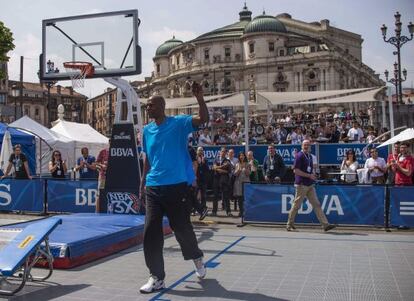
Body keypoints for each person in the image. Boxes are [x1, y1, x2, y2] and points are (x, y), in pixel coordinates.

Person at [139, 82, 208, 294]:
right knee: (150, 232)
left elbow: (203, 119)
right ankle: (157, 277)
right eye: (147, 105)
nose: (148, 108)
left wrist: (199, 98)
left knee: (182, 229)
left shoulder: (178, 123)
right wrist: (142, 183)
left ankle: (196, 256)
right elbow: (148, 159)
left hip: (176, 187)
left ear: (162, 106)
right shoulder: (146, 131)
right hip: (153, 187)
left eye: (151, 105)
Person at [286, 140, 336, 232]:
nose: (306, 146)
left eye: (308, 145)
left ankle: (325, 225)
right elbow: (295, 171)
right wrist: (309, 175)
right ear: (302, 146)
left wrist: (313, 176)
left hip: (309, 184)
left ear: (310, 146)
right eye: (305, 145)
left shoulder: (310, 157)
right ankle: (289, 224)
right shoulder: (299, 155)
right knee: (296, 205)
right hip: (301, 185)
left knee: (316, 204)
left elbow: (309, 170)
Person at [186, 141, 208, 220]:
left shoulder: (190, 149)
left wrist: (193, 177)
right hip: (182, 176)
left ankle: (201, 210)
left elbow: (195, 164)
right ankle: (201, 210)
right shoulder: (180, 148)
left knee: (189, 195)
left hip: (187, 178)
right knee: (188, 196)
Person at [212, 147, 232, 216]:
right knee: (215, 196)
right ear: (220, 152)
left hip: (224, 180)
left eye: (224, 152)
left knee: (226, 196)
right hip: (216, 180)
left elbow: (229, 171)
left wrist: (219, 169)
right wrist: (222, 166)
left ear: (226, 153)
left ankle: (228, 212)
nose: (223, 153)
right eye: (222, 151)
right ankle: (214, 211)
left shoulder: (227, 161)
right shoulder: (216, 159)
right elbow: (214, 167)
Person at [233, 152, 250, 217]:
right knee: (240, 198)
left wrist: (245, 169)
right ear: (239, 157)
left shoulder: (247, 164)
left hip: (246, 182)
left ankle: (246, 211)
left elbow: (248, 174)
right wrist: (239, 170)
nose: (241, 157)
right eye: (240, 156)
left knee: (245, 198)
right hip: (239, 183)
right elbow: (235, 174)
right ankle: (240, 211)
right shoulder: (237, 164)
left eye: (242, 155)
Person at [95, 143, 110, 212]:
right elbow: (96, 163)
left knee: (111, 194)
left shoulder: (116, 152)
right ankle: (97, 212)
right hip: (103, 177)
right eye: (110, 141)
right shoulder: (103, 151)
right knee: (99, 194)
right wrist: (102, 165)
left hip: (113, 178)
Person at [196, 146, 209, 214]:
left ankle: (203, 209)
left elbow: (207, 169)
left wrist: (203, 163)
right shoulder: (195, 158)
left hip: (203, 180)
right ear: (197, 151)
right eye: (199, 150)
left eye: (201, 150)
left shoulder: (205, 159)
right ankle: (194, 209)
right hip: (196, 179)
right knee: (195, 195)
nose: (200, 152)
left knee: (203, 195)